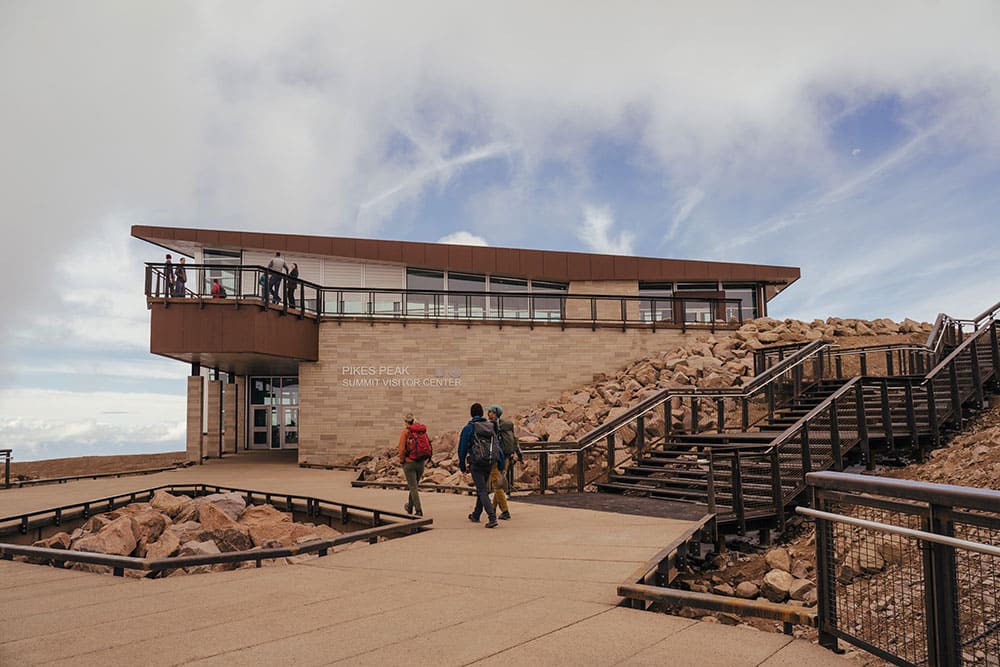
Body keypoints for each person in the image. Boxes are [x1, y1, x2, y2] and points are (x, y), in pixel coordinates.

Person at [458, 402, 504, 528]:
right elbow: (497, 446)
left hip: (476, 462)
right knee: (482, 488)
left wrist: (462, 466)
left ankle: (492, 517)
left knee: (482, 490)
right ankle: (476, 514)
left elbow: (462, 448)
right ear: (482, 414)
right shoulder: (490, 426)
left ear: (471, 414)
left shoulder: (469, 428)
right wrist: (501, 463)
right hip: (489, 462)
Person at [487, 405, 522, 520]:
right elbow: (515, 441)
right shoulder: (507, 425)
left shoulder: (494, 425)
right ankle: (493, 508)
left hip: (497, 459)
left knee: (497, 485)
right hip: (507, 458)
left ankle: (505, 511)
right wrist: (519, 455)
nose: (488, 413)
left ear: (495, 413)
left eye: (490, 412)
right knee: (499, 483)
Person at [398, 413, 427, 516]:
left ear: (406, 422)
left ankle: (418, 510)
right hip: (421, 463)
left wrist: (402, 461)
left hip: (409, 463)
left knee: (413, 487)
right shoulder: (421, 432)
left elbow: (401, 449)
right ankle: (410, 507)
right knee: (413, 486)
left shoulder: (405, 432)